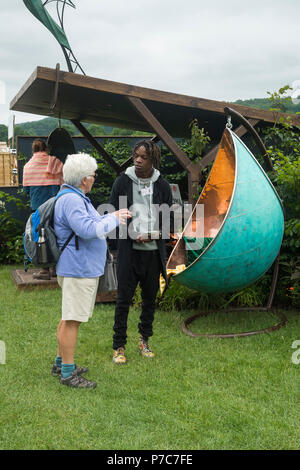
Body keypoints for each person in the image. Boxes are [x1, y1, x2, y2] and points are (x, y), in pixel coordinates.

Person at [52, 153, 131, 388]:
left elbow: (92, 224)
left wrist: (109, 218)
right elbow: (88, 230)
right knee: (72, 320)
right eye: (93, 175)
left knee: (68, 317)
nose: (95, 179)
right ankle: (67, 373)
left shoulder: (74, 197)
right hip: (78, 269)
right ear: (84, 179)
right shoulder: (73, 200)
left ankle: (60, 363)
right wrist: (115, 219)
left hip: (77, 266)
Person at [109, 140, 173, 364]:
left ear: (153, 159)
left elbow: (168, 223)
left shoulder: (162, 185)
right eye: (136, 155)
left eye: (143, 157)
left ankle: (144, 340)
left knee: (149, 299)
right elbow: (112, 214)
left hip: (152, 254)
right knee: (123, 299)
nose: (138, 160)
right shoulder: (122, 182)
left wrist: (152, 235)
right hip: (129, 253)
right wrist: (129, 233)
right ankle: (119, 346)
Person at [23, 139, 64, 280]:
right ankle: (55, 268)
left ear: (33, 150)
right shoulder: (56, 162)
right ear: (46, 148)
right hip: (55, 206)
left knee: (40, 238)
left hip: (38, 209)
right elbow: (64, 182)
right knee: (56, 235)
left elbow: (26, 190)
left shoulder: (28, 166)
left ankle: (44, 270)